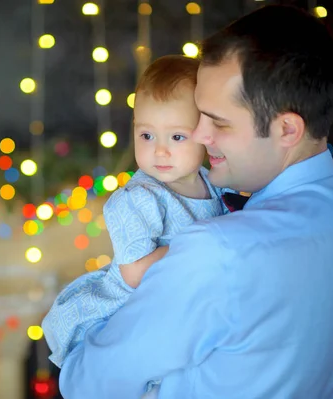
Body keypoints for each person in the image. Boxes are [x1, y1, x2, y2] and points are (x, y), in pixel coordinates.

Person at [55, 5, 333, 399]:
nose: (200, 135)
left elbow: (85, 383)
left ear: (287, 129)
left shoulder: (216, 251)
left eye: (218, 122)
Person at [41, 54, 234, 398]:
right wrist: (195, 249)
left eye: (176, 137)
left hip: (186, 308)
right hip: (129, 309)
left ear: (205, 133)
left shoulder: (215, 182)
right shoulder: (138, 198)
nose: (159, 151)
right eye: (146, 135)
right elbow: (134, 274)